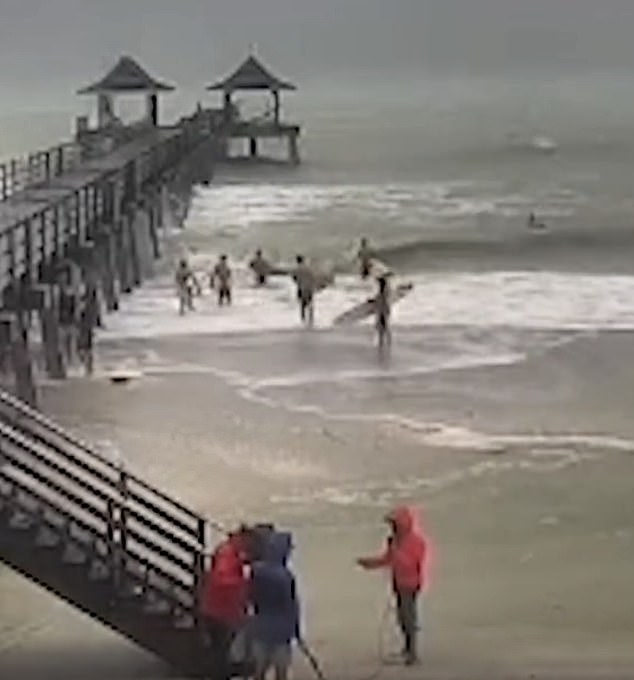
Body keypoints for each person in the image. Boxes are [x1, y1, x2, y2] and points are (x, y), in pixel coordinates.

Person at [357, 506, 428, 666]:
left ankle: (412, 653)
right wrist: (369, 564)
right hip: (398, 583)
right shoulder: (396, 541)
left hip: (410, 585)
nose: (392, 528)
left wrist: (394, 551)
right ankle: (407, 649)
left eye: (394, 524)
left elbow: (409, 564)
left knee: (408, 618)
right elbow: (387, 560)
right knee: (402, 618)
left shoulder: (416, 542)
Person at [199, 527, 251, 680]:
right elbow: (222, 580)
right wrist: (245, 583)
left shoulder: (227, 550)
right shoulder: (228, 554)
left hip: (214, 607)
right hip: (219, 611)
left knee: (219, 649)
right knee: (222, 650)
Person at [250, 531, 302, 680]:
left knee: (259, 670)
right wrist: (296, 629)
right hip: (281, 632)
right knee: (281, 672)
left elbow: (251, 597)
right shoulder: (285, 576)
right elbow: (291, 605)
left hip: (260, 626)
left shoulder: (256, 571)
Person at [293, 255, 315, 326]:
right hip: (310, 288)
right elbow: (313, 277)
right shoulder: (309, 268)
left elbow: (294, 278)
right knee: (310, 303)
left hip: (301, 288)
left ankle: (303, 320)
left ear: (297, 261)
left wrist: (298, 282)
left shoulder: (297, 268)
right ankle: (311, 319)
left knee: (302, 305)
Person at [374, 275, 392, 352]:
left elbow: (383, 301)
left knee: (382, 326)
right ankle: (384, 342)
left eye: (379, 283)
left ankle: (385, 342)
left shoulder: (384, 292)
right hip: (383, 309)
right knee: (382, 326)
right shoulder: (384, 291)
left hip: (383, 310)